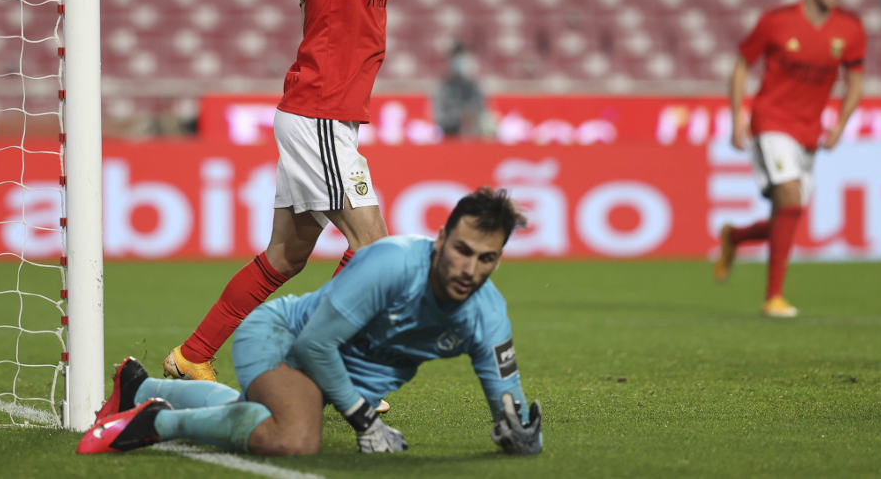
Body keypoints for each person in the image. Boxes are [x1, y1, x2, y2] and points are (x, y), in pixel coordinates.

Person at [163, 0, 481, 382]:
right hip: (320, 116)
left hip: (322, 119)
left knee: (285, 256)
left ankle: (192, 355)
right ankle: (318, 362)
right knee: (376, 253)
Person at [78, 187, 542, 457]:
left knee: (254, 412)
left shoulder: (487, 314)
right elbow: (317, 344)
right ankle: (156, 423)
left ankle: (136, 388)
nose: (470, 269)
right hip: (285, 340)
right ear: (440, 239)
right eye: (462, 250)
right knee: (296, 438)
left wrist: (519, 428)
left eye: (486, 258)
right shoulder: (392, 263)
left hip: (331, 372)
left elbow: (506, 395)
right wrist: (362, 418)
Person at [713, 0, 866, 318]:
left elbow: (855, 81)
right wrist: (737, 118)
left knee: (788, 213)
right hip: (771, 121)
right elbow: (740, 66)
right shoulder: (777, 20)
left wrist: (840, 125)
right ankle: (773, 298)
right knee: (789, 196)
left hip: (809, 131)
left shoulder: (849, 28)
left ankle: (735, 237)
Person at [434, 42, 489, 137]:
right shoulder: (444, 88)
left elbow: (483, 112)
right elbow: (439, 116)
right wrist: (459, 118)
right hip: (451, 137)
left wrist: (473, 118)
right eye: (458, 60)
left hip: (474, 139)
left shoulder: (474, 88)